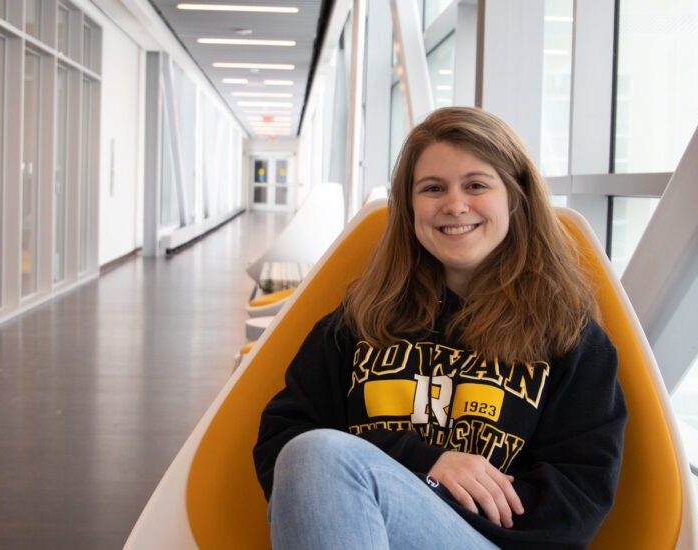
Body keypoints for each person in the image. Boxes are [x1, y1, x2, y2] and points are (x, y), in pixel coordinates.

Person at [252, 106, 627, 550]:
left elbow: (575, 504)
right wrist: (429, 464)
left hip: (494, 543)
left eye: (476, 185)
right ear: (410, 206)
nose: (454, 205)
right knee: (314, 454)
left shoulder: (569, 336)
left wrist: (436, 498)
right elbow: (282, 446)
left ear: (515, 197)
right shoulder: (361, 319)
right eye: (433, 188)